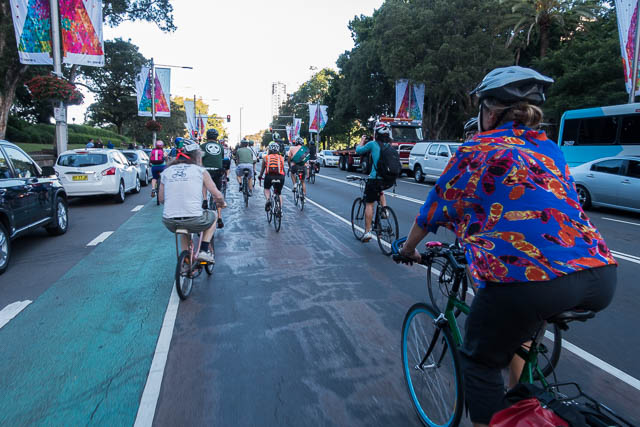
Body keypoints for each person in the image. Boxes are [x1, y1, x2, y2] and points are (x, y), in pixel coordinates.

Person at [398, 66, 617, 426]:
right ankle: (521, 405)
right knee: (521, 328)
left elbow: (432, 210)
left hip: (529, 276)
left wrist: (408, 250)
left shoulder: (477, 148)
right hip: (599, 274)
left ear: (489, 111)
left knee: (478, 362)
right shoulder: (549, 149)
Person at [158, 143, 226, 263]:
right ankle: (203, 251)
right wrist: (221, 202)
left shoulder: (166, 172)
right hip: (194, 219)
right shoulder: (200, 171)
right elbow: (217, 194)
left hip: (169, 221)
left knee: (182, 226)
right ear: (196, 156)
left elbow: (161, 199)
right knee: (214, 215)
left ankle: (186, 260)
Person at [356, 122, 395, 242]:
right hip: (388, 180)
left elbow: (358, 151)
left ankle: (367, 232)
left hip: (375, 178)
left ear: (376, 133)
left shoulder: (372, 144)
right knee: (381, 190)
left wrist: (362, 141)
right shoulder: (389, 146)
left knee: (369, 204)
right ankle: (385, 211)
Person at [201, 128, 226, 229]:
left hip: (206, 171)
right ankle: (219, 217)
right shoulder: (221, 147)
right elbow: (222, 159)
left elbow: (199, 159)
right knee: (217, 193)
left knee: (204, 182)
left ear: (207, 136)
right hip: (217, 171)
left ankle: (205, 199)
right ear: (216, 137)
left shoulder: (202, 146)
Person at [258, 142, 286, 213]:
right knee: (279, 193)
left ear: (269, 150)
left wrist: (260, 176)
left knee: (267, 188)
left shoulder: (266, 158)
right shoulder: (281, 157)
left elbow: (262, 169)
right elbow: (283, 169)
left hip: (269, 176)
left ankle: (268, 199)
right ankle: (280, 209)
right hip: (280, 177)